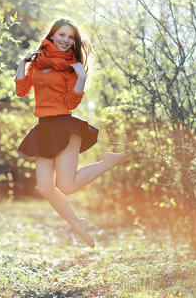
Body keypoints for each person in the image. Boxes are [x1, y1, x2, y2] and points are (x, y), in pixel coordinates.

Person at [15, 17, 131, 248]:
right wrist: (22, 63)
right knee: (46, 187)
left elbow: (71, 103)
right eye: (62, 35)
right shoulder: (37, 61)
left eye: (71, 37)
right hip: (44, 127)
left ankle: (107, 162)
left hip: (65, 127)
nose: (66, 40)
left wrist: (81, 77)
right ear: (52, 35)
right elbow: (22, 91)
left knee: (67, 185)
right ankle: (78, 223)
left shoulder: (72, 67)